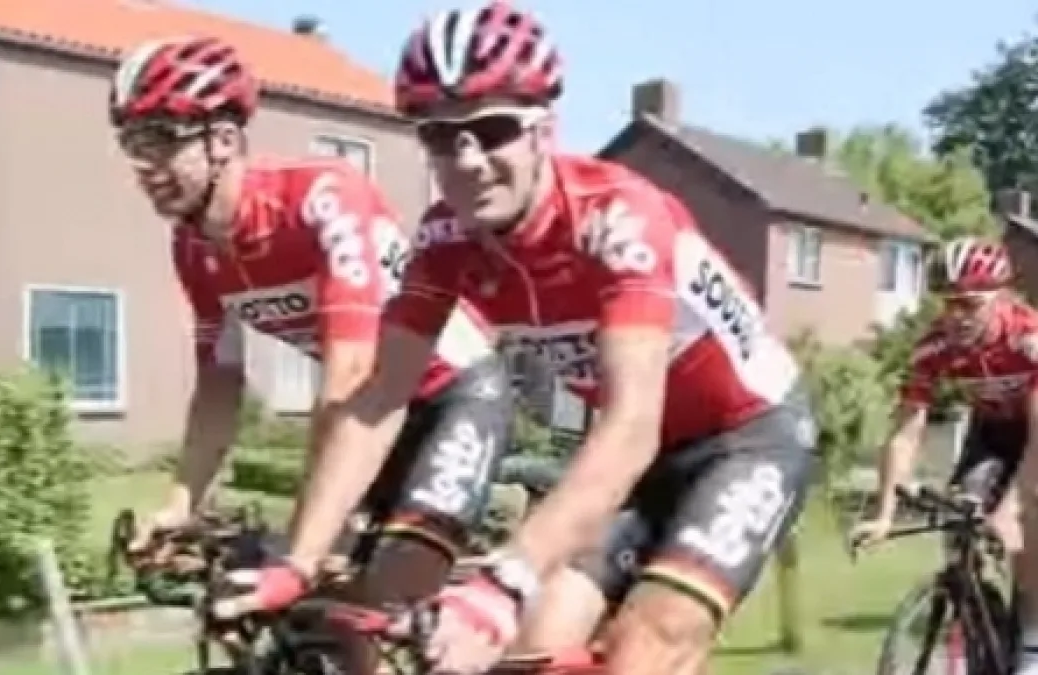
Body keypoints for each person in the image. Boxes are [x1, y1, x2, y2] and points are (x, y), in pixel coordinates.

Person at [221, 3, 817, 674]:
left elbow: (629, 427)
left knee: (645, 642)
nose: (468, 160)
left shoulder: (619, 221)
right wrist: (299, 560)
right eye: (441, 137)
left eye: (493, 130)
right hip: (645, 460)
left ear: (543, 130)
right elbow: (378, 399)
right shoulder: (445, 240)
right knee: (537, 637)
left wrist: (501, 581)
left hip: (746, 436)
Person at [109, 35, 513, 663]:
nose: (143, 165)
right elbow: (219, 383)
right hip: (371, 419)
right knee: (327, 622)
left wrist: (302, 547)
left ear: (223, 140)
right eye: (133, 144)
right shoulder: (193, 247)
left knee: (389, 593)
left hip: (451, 394)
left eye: (160, 139)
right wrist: (180, 504)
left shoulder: (321, 199)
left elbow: (348, 375)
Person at [850, 236, 1038, 673]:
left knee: (1028, 531)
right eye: (948, 303)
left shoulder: (1028, 340)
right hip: (991, 432)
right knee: (958, 520)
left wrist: (1010, 510)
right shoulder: (935, 347)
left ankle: (1032, 644)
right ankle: (973, 622)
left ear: (1001, 296)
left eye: (969, 305)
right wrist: (884, 513)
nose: (956, 317)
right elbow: (906, 430)